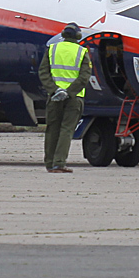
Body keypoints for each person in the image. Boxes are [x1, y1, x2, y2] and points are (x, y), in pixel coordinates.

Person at [38, 22, 92, 173]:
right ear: (78, 36)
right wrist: (69, 92)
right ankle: (59, 163)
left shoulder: (52, 49)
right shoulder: (82, 52)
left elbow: (43, 72)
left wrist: (55, 90)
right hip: (74, 98)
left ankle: (49, 163)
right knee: (66, 129)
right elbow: (84, 77)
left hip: (54, 97)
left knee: (52, 129)